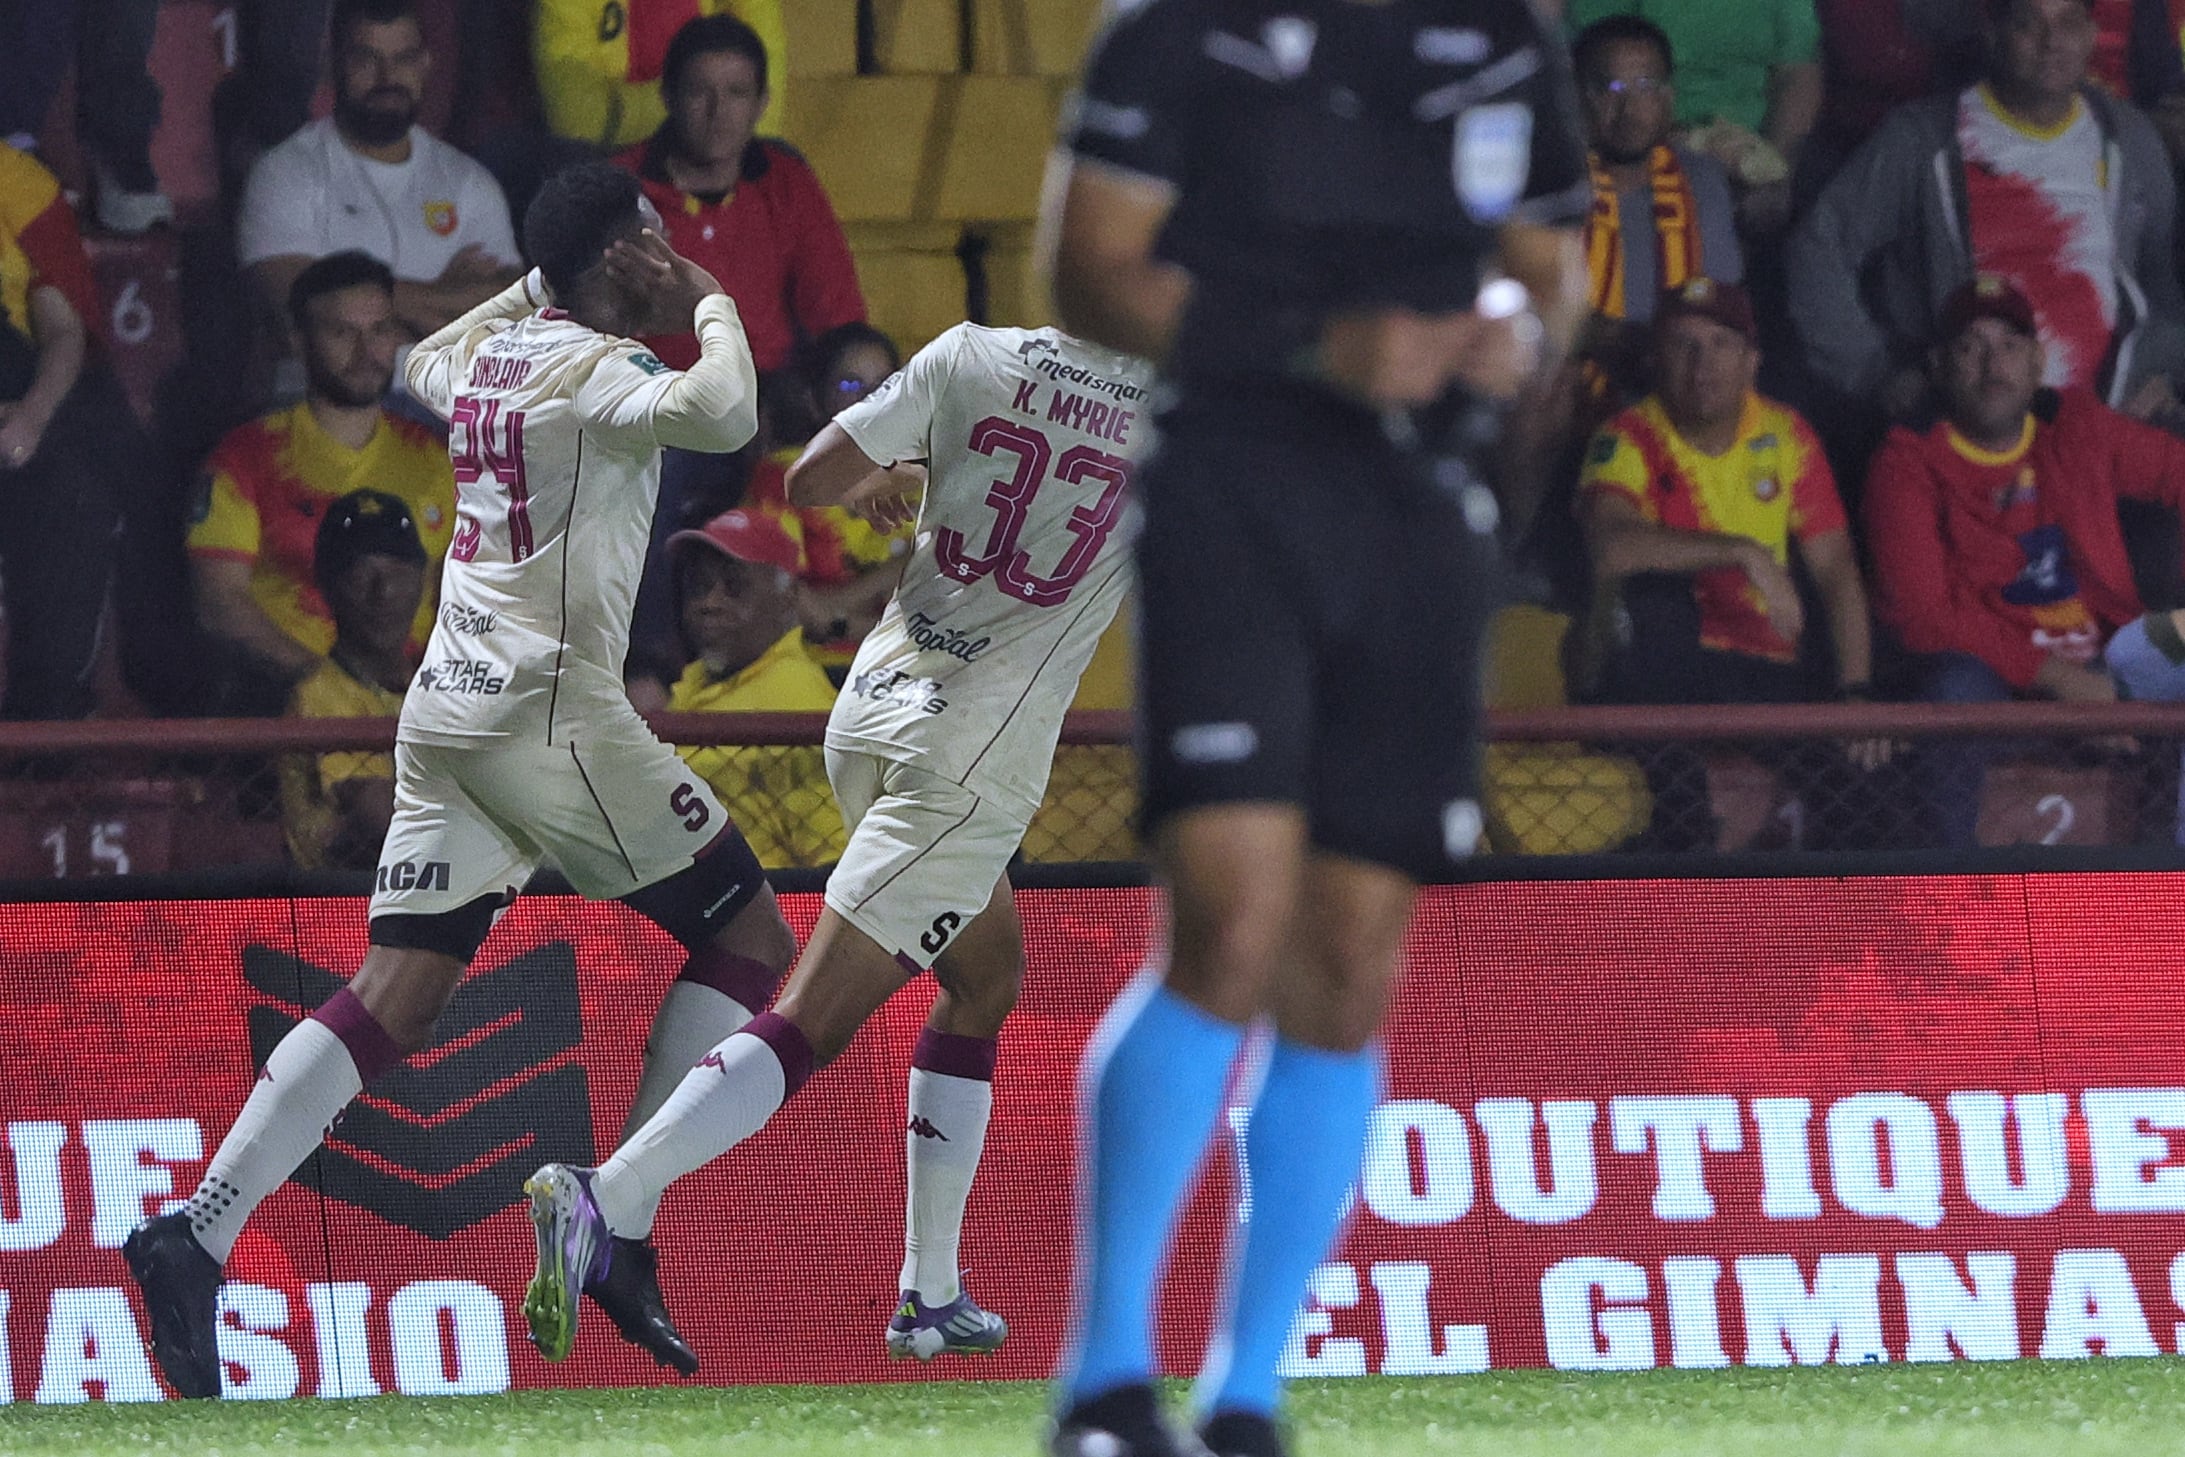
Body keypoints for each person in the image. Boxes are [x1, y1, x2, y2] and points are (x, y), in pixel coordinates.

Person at [124, 162, 794, 1397]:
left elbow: (433, 347)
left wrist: (553, 274)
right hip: (551, 712)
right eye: (647, 240)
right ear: (625, 257)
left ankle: (196, 1229)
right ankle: (614, 1214)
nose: (663, 251)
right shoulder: (597, 371)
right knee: (751, 935)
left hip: (446, 710)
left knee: (397, 994)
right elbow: (727, 415)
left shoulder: (471, 366)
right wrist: (702, 291)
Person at [1042, 1, 1592, 1453]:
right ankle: (1104, 1383)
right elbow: (1089, 270)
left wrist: (1517, 335)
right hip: (1234, 486)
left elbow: (1552, 273)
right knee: (1229, 926)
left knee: (1348, 960)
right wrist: (1321, 347)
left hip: (1420, 518)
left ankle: (1248, 1394)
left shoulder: (1500, 37)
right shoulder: (1175, 33)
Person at [517, 322, 1156, 1369]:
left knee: (986, 974)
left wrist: (911, 467)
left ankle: (931, 1292)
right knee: (813, 1015)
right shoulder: (1173, 416)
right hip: (966, 762)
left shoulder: (970, 353)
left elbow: (811, 480)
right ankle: (607, 1196)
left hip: (868, 708)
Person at [1866, 274, 2185, 843]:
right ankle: (1949, 900)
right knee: (1952, 693)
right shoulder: (1908, 461)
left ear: (2038, 362)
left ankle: (2163, 888)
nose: (1994, 366)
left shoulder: (2076, 426)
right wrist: (2062, 682)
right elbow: (1923, 616)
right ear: (1939, 366)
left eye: (2010, 347)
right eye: (1972, 348)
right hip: (1996, 680)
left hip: (2106, 660)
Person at [1578, 277, 1884, 849]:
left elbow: (1836, 569)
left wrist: (1855, 692)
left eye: (1721, 345)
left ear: (1751, 361)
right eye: (1684, 345)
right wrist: (1742, 553)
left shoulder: (1785, 434)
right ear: (1656, 359)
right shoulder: (1627, 436)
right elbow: (1610, 548)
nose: (1703, 364)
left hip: (1760, 671)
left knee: (1866, 793)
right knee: (1654, 602)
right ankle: (1684, 857)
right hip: (1663, 675)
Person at [1789, 0, 2185, 426]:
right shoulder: (1923, 140)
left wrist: (2165, 366)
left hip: (2109, 426)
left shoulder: (2128, 136)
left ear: (2091, 33)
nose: (2051, 43)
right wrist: (1874, 372)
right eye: (2028, 24)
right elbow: (1819, 249)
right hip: (1968, 429)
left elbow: (2165, 277)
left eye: (2068, 23)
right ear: (1993, 33)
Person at [187, 251, 457, 714]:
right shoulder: (245, 459)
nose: (366, 352)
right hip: (295, 707)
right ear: (297, 341)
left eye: (380, 331)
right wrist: (326, 686)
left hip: (418, 709)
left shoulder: (436, 459)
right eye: (341, 332)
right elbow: (220, 602)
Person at [236, 0, 522, 361]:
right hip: (331, 409)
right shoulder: (284, 173)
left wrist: (367, 313)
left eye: (403, 59)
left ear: (425, 65)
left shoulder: (468, 181)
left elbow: (513, 305)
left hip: (443, 407)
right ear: (332, 65)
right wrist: (446, 294)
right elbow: (304, 302)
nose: (387, 78)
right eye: (367, 60)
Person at [614, 14, 863, 375]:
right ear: (668, 96)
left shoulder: (787, 182)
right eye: (700, 92)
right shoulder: (617, 186)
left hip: (772, 404)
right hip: (652, 402)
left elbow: (838, 317)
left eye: (737, 93)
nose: (718, 112)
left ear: (762, 103)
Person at [0, 141, 134, 720]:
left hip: (16, 389)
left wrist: (27, 418)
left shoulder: (17, 182)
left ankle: (45, 721)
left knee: (71, 492)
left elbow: (62, 331)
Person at [663, 504, 847, 870]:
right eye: (699, 586)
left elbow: (834, 866)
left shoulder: (794, 698)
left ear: (788, 598)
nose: (709, 603)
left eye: (735, 586)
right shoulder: (697, 680)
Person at [1574, 14, 1744, 408]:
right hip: (1575, 389)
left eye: (1646, 86)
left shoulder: (1701, 182)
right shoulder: (1552, 189)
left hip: (1680, 390)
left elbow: (1716, 305)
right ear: (1578, 95)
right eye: (1610, 87)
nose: (1629, 107)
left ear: (1668, 98)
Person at [1565, 0, 1823, 227]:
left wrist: (1777, 169)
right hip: (1611, 156)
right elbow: (1561, 72)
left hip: (1736, 164)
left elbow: (1797, 74)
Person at [280, 489, 429, 872]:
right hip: (341, 898)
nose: (385, 592)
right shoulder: (318, 694)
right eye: (363, 576)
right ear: (329, 587)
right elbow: (381, 814)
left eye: (399, 574)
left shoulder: (431, 683)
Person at [536, 0, 787, 152]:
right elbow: (577, 119)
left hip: (719, 164)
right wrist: (700, 102)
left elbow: (760, 98)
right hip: (612, 165)